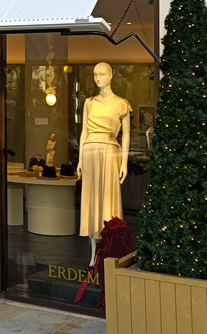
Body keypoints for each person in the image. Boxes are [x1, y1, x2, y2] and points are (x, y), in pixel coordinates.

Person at [77, 62, 131, 266]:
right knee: (92, 200)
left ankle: (109, 251)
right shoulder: (89, 102)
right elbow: (84, 132)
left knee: (108, 200)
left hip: (109, 151)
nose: (98, 78)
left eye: (102, 74)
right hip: (91, 151)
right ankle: (93, 254)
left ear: (111, 76)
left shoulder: (122, 103)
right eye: (95, 75)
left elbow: (125, 136)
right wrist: (80, 159)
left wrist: (124, 161)